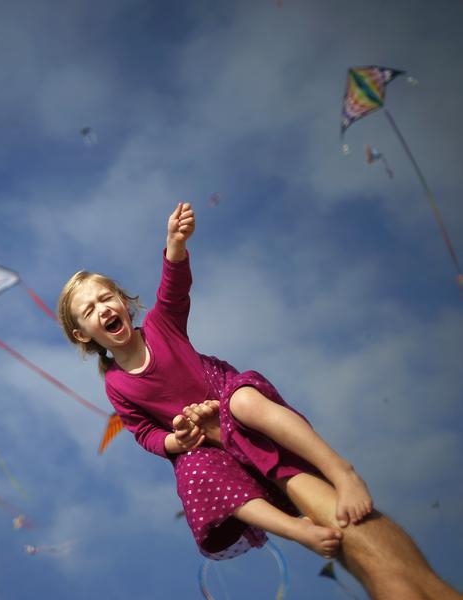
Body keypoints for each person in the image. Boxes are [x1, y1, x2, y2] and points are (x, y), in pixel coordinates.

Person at [58, 202, 461, 599]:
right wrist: (176, 441)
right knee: (192, 472)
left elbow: (174, 290)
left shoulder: (161, 327)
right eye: (89, 311)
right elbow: (144, 431)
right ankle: (295, 529)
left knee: (243, 404)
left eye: (106, 298)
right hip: (207, 443)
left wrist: (175, 244)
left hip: (224, 396)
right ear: (82, 334)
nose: (102, 309)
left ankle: (341, 471)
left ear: (123, 301)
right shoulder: (116, 384)